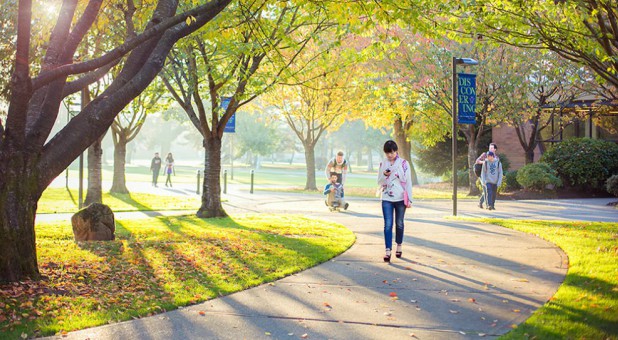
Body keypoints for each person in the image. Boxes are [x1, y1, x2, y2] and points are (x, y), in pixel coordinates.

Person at [377, 140, 413, 263]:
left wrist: (410, 199)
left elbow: (408, 181)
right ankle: (387, 250)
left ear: (396, 151)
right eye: (387, 153)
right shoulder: (383, 163)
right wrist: (384, 174)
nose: (390, 155)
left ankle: (399, 246)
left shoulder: (404, 163)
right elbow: (379, 181)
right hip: (386, 197)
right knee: (387, 224)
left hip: (400, 197)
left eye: (391, 153)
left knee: (399, 223)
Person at [475, 143, 499, 209]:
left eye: (491, 148)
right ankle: (488, 205)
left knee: (489, 190)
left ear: (495, 149)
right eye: (489, 148)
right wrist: (484, 162)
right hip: (483, 175)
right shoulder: (485, 155)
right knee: (486, 189)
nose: (490, 149)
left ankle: (480, 202)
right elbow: (477, 161)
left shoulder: (496, 158)